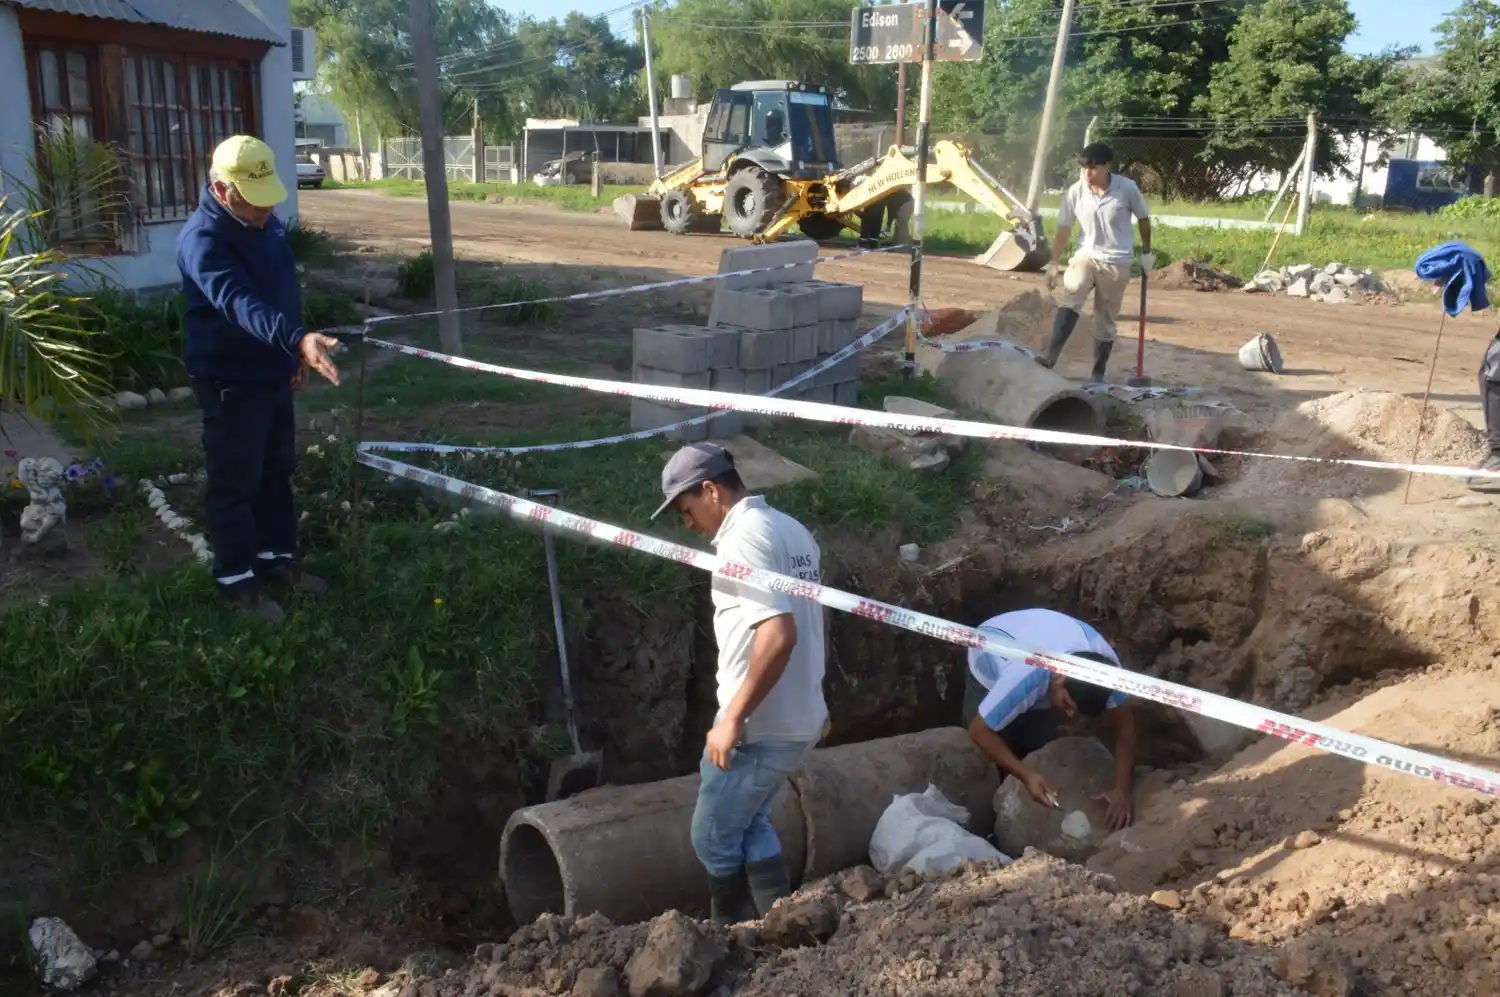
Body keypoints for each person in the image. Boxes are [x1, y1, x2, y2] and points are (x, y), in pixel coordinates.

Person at [651, 442, 827, 923]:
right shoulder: (791, 530)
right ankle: (778, 925)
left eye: (687, 510)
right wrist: (817, 696)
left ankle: (725, 939)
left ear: (710, 491)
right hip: (793, 716)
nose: (688, 525)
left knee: (711, 835)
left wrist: (732, 719)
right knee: (751, 822)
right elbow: (813, 623)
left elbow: (779, 634)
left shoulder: (742, 538)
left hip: (759, 727)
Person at [177, 135, 343, 622]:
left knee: (277, 468)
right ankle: (235, 579)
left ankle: (275, 560)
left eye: (271, 200)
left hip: (270, 370)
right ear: (224, 191)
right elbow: (239, 304)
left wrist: (291, 355)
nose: (266, 212)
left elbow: (280, 291)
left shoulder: (263, 224)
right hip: (230, 378)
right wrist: (295, 340)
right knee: (235, 479)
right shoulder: (204, 241)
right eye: (255, 202)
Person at [963, 608, 1137, 830]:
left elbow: (1124, 723)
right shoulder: (1024, 677)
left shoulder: (1106, 671)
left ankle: (1025, 749)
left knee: (1035, 734)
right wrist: (1025, 775)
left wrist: (1121, 788)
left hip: (1039, 633)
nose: (1070, 714)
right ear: (1060, 678)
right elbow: (979, 730)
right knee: (986, 748)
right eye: (1068, 704)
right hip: (991, 647)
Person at [1040, 142, 1153, 382]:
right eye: (1083, 168)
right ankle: (1050, 356)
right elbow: (1063, 228)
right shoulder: (1076, 191)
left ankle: (1098, 371)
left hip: (1117, 261)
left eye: (1093, 168)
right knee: (1072, 292)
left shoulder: (1127, 188)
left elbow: (1143, 219)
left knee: (1106, 319)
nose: (1087, 174)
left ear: (1107, 166)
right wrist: (1053, 262)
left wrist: (1147, 252)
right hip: (1086, 255)